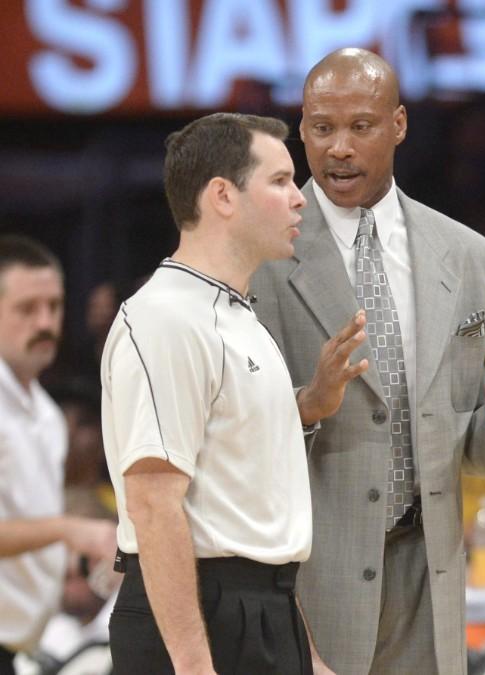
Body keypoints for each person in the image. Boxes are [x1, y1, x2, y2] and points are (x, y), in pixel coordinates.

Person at [250, 48, 485, 675]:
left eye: (360, 127)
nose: (338, 147)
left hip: (431, 576)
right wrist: (305, 407)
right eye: (321, 128)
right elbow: (228, 429)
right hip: (306, 583)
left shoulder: (473, 259)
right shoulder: (259, 254)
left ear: (398, 125)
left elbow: (463, 439)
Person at [101, 112, 360, 674]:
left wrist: (308, 657)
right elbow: (153, 503)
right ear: (222, 195)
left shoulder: (239, 318)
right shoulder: (166, 317)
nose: (300, 199)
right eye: (280, 181)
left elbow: (253, 520)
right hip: (196, 620)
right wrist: (195, 667)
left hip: (264, 609)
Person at [0, 236, 116, 675]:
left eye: (55, 306)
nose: (45, 322)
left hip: (23, 644)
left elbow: (27, 532)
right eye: (27, 309)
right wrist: (70, 530)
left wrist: (83, 557)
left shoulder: (48, 416)